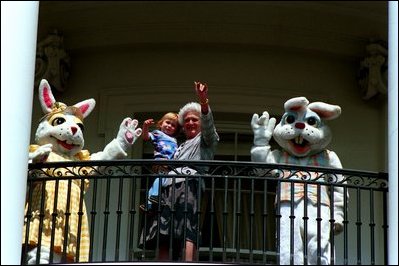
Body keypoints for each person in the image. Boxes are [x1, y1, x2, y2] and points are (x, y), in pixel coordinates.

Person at [139, 81, 219, 261]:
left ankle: (187, 264)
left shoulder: (206, 140)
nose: (190, 122)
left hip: (189, 185)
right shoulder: (179, 146)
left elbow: (209, 127)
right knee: (162, 229)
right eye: (187, 120)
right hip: (167, 187)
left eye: (195, 119)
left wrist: (204, 102)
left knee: (187, 226)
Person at [140, 112, 180, 212]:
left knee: (160, 180)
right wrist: (145, 126)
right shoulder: (158, 133)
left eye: (173, 125)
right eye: (167, 122)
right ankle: (154, 195)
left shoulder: (174, 139)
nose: (169, 126)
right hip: (161, 160)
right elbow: (145, 137)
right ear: (161, 124)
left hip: (169, 164)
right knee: (161, 178)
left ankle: (148, 204)